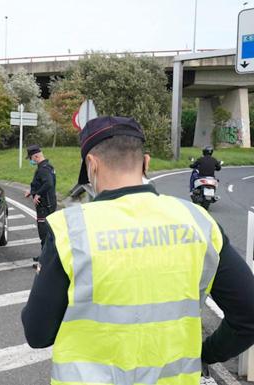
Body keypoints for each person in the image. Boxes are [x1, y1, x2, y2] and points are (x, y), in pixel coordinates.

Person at [21, 116, 254, 384]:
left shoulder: (70, 230)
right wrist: (206, 353)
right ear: (146, 162)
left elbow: (37, 334)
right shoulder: (199, 222)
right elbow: (248, 315)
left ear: (92, 165)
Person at [24, 144, 57, 249]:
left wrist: (37, 194)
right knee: (47, 232)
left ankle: (44, 260)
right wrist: (32, 191)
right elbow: (42, 183)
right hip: (49, 204)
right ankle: (44, 256)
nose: (30, 161)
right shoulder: (48, 166)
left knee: (44, 233)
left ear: (36, 156)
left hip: (44, 206)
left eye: (30, 158)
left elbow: (49, 183)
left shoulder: (43, 169)